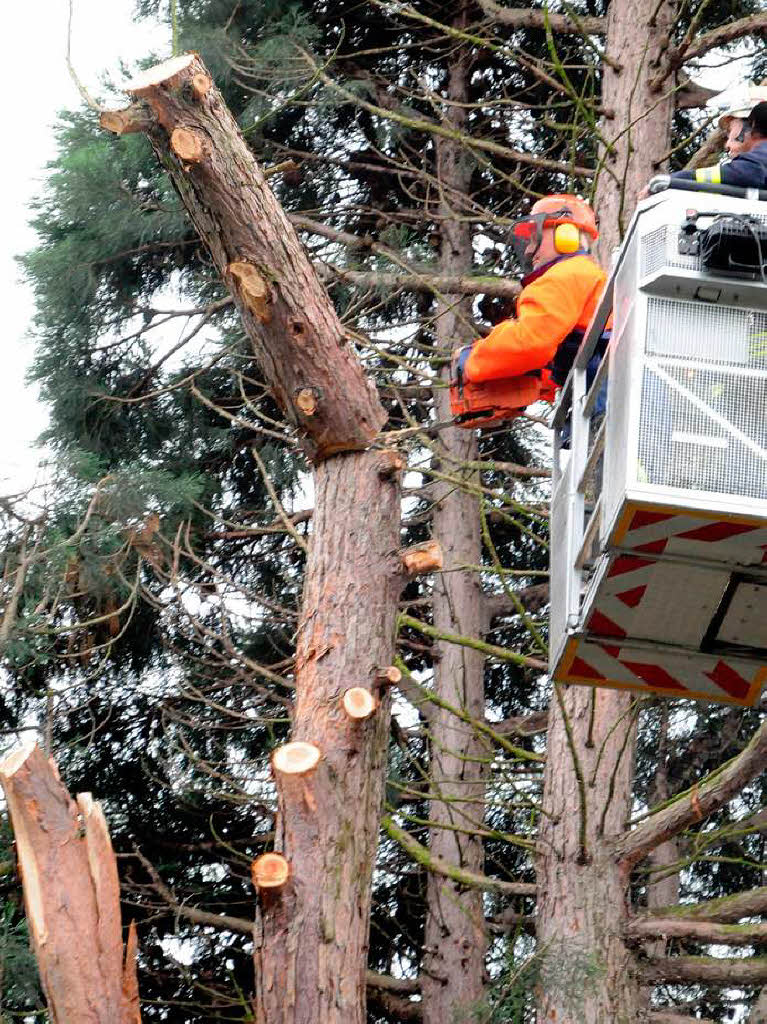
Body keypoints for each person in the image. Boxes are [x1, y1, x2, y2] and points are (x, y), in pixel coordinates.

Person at [460, 194, 609, 404]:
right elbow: (571, 352)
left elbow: (530, 340)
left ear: (565, 234)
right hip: (601, 392)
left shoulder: (567, 274)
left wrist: (471, 361)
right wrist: (535, 380)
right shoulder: (583, 276)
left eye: (534, 238)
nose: (529, 250)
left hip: (602, 398)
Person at [671, 100, 767, 189]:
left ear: (751, 125)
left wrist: (668, 181)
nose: (727, 145)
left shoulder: (755, 165)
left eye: (730, 131)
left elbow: (748, 172)